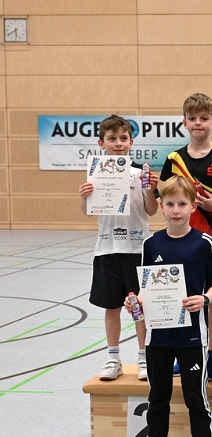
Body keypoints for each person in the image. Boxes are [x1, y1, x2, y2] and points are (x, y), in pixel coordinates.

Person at [126, 176, 212, 437]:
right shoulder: (150, 244)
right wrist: (135, 302)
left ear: (193, 206)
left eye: (182, 204)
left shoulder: (205, 243)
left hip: (192, 338)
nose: (176, 210)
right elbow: (145, 289)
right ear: (162, 207)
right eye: (170, 204)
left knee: (196, 399)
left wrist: (205, 299)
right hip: (158, 337)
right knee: (157, 399)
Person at [160, 93, 212, 380]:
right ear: (184, 122)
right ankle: (186, 354)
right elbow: (161, 197)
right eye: (192, 118)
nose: (198, 123)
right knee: (181, 296)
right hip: (179, 241)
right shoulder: (174, 159)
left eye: (204, 118)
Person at [79, 115, 158, 381]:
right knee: (111, 307)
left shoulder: (140, 174)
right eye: (112, 139)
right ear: (101, 143)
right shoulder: (96, 175)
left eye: (123, 138)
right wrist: (85, 197)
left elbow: (152, 211)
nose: (118, 143)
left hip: (137, 249)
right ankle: (113, 358)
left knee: (140, 306)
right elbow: (88, 212)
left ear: (131, 142)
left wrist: (150, 190)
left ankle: (144, 357)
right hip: (107, 249)